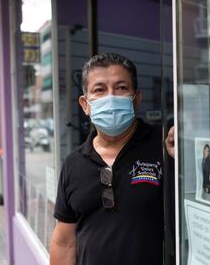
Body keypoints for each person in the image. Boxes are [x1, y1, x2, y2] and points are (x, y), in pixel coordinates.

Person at [49, 53, 175, 265]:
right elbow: (64, 242)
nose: (111, 97)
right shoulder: (74, 163)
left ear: (136, 99)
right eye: (99, 90)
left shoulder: (164, 145)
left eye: (121, 88)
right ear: (85, 104)